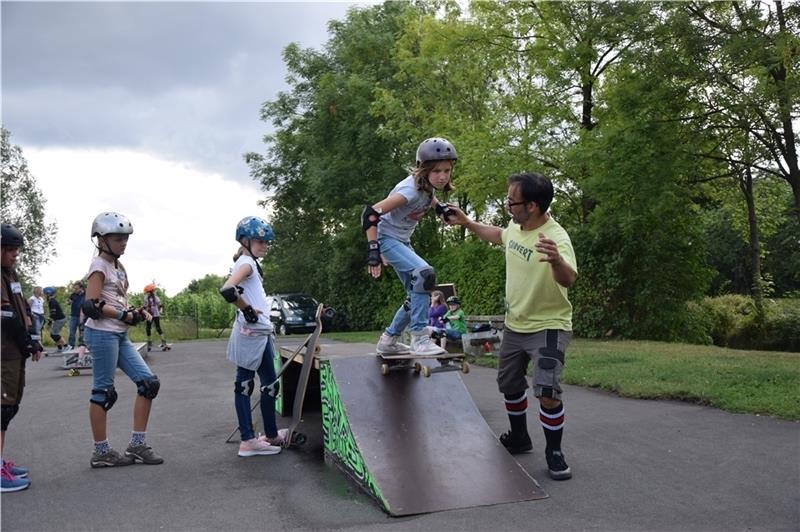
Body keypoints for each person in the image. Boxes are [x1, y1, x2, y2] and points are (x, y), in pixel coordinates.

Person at [445, 172, 577, 480]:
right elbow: (497, 235)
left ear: (531, 205)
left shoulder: (555, 237)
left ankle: (554, 452)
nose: (507, 205)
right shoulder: (516, 229)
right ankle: (520, 438)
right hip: (516, 326)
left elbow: (569, 278)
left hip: (549, 326)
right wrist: (467, 222)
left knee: (546, 391)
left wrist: (556, 260)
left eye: (511, 201)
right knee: (510, 384)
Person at [363, 137, 459, 356]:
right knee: (425, 274)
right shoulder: (410, 191)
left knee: (416, 294)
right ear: (423, 170)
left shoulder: (427, 187)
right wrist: (373, 250)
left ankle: (388, 339)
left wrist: (440, 209)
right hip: (386, 238)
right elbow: (370, 214)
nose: (443, 176)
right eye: (436, 171)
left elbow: (430, 198)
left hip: (402, 241)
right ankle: (419, 337)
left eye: (447, 170)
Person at [81, 212, 163, 468]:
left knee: (148, 383)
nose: (123, 243)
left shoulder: (119, 266)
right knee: (103, 392)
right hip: (101, 333)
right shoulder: (99, 266)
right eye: (117, 239)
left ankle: (137, 444)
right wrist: (122, 314)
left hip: (119, 333)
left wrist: (136, 312)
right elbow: (91, 305)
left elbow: (116, 299)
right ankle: (101, 451)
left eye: (125, 239)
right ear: (101, 240)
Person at [219, 216, 286, 457]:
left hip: (259, 333)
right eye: (260, 241)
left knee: (269, 384)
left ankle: (270, 434)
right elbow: (227, 289)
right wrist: (246, 308)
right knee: (245, 384)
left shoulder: (249, 262)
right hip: (252, 333)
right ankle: (248, 440)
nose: (265, 245)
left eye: (266, 242)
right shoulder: (246, 263)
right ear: (246, 241)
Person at [1, 224, 44, 492]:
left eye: (17, 250)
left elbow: (23, 308)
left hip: (14, 351)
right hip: (3, 351)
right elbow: (5, 315)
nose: (15, 254)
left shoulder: (10, 274)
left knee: (10, 407)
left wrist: (33, 336)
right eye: (10, 250)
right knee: (1, 410)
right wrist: (25, 340)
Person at [143, 284, 168, 351]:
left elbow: (160, 305)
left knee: (153, 328)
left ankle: (161, 343)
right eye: (153, 290)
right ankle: (152, 343)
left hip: (153, 314)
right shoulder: (147, 298)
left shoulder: (154, 298)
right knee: (151, 328)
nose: (153, 291)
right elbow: (145, 306)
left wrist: (160, 311)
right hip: (151, 314)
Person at [43, 286, 67, 352]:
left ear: (48, 293)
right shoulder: (52, 300)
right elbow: (53, 314)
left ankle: (66, 346)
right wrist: (50, 320)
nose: (44, 295)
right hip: (59, 319)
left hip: (59, 319)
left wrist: (49, 322)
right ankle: (60, 348)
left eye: (45, 293)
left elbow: (53, 313)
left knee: (54, 334)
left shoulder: (52, 301)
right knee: (53, 334)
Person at [67, 281, 86, 351]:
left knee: (82, 331)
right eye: (74, 289)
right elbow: (69, 301)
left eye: (77, 289)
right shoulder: (73, 295)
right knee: (72, 331)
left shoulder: (86, 294)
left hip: (83, 315)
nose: (75, 290)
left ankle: (81, 346)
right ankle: (71, 345)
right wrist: (69, 302)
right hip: (73, 315)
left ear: (81, 288)